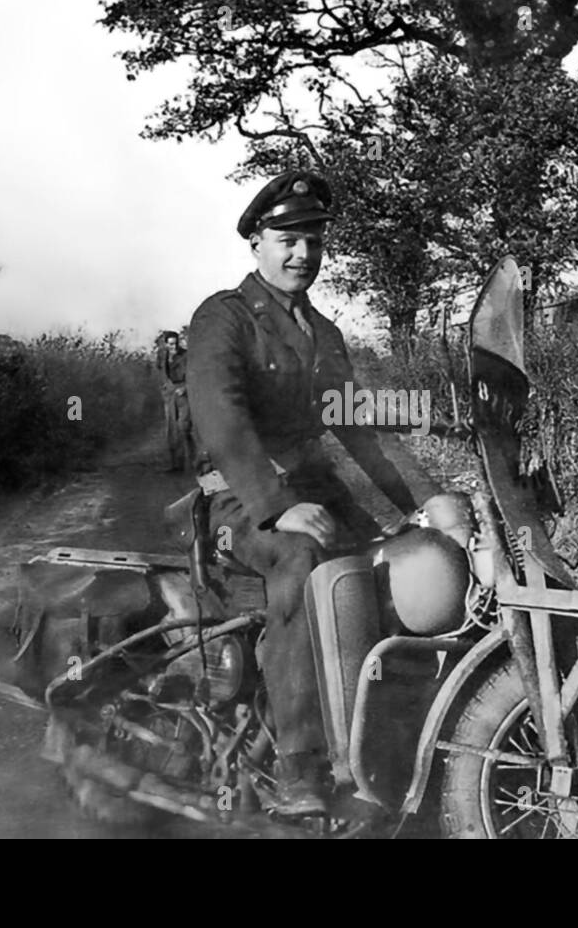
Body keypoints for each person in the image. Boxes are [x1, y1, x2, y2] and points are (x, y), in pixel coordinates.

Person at [186, 170, 419, 817]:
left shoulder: (324, 333)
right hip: (240, 504)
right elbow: (221, 421)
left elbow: (361, 429)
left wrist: (424, 503)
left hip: (313, 492)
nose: (303, 254)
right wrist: (278, 503)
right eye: (287, 239)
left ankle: (375, 729)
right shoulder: (224, 319)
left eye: (314, 241)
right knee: (300, 562)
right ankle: (301, 768)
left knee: (396, 561)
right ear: (256, 241)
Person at [157, 329, 195, 472]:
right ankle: (176, 464)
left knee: (184, 427)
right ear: (166, 344)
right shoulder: (162, 356)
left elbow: (193, 373)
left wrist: (185, 387)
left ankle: (193, 461)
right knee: (171, 430)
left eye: (175, 343)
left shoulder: (185, 355)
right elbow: (160, 371)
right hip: (169, 393)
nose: (173, 347)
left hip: (183, 393)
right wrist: (165, 387)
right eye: (170, 344)